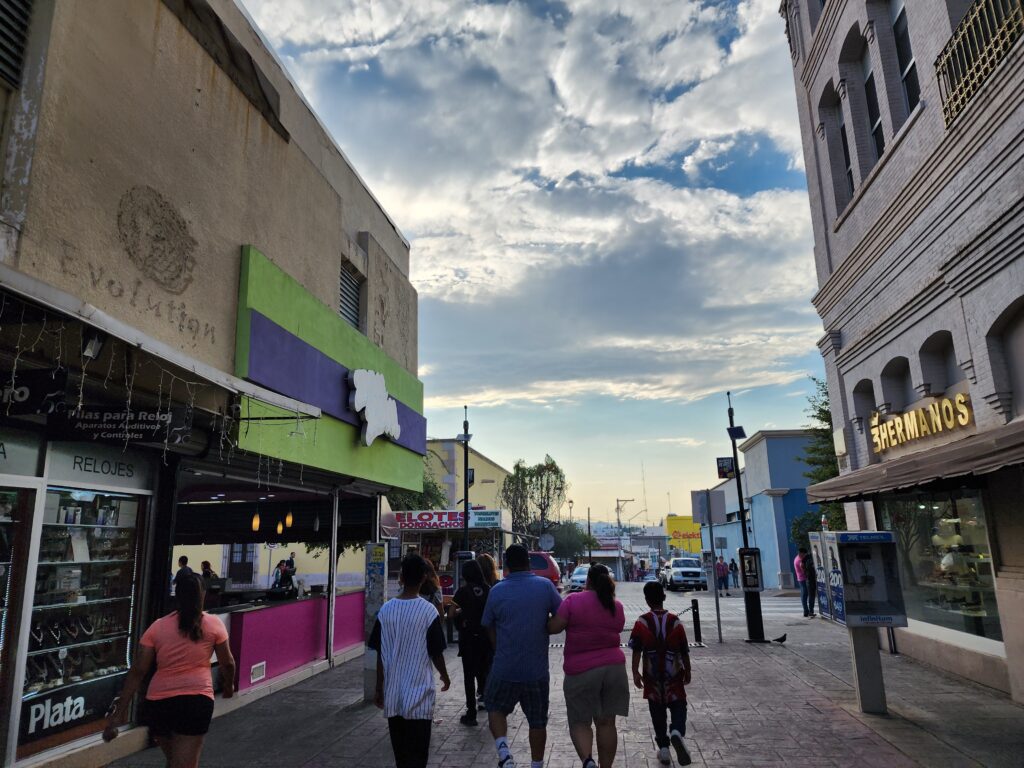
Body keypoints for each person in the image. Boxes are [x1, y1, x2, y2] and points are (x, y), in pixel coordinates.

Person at [103, 574, 235, 767]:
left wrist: (118, 714)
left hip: (159, 703)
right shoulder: (214, 624)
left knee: (174, 760)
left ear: (177, 596)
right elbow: (228, 663)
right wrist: (229, 686)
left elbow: (138, 670)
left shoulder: (158, 627)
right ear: (203, 594)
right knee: (184, 764)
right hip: (195, 701)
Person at [482, 544, 562, 768]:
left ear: (506, 564)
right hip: (536, 671)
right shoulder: (545, 587)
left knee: (495, 708)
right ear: (528, 562)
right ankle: (536, 764)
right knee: (537, 721)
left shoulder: (497, 591)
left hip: (504, 668)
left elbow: (487, 624)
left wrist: (498, 646)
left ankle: (504, 753)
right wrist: (546, 627)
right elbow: (562, 616)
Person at [369, 553, 451, 768]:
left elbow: (380, 652)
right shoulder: (429, 612)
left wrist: (379, 687)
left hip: (393, 694)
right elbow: (436, 653)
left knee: (401, 756)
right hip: (420, 695)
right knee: (418, 756)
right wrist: (444, 676)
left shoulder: (386, 611)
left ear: (401, 578)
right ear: (424, 578)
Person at [547, 564, 628, 768]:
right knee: (607, 722)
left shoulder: (573, 601)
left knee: (580, 721)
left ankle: (588, 761)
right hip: (614, 669)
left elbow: (554, 628)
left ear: (588, 580)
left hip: (581, 671)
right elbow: (618, 627)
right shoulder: (615, 606)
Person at [629, 581, 692, 766]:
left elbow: (636, 649)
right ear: (664, 597)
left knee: (657, 712)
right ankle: (677, 731)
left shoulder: (641, 622)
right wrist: (688, 670)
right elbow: (684, 649)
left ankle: (663, 749)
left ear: (647, 600)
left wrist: (635, 672)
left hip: (652, 676)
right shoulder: (675, 621)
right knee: (679, 705)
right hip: (674, 674)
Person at [448, 559, 491, 726]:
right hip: (485, 637)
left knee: (469, 676)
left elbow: (452, 613)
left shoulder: (463, 591)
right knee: (484, 672)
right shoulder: (488, 589)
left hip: (468, 639)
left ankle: (471, 713)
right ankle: (487, 703)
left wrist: (462, 612)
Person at [798, 547, 816, 617]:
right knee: (811, 596)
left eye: (799, 553)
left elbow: (804, 568)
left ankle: (809, 611)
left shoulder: (806, 559)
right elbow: (804, 568)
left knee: (809, 595)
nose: (799, 555)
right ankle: (810, 611)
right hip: (810, 579)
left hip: (809, 579)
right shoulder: (806, 559)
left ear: (803, 553)